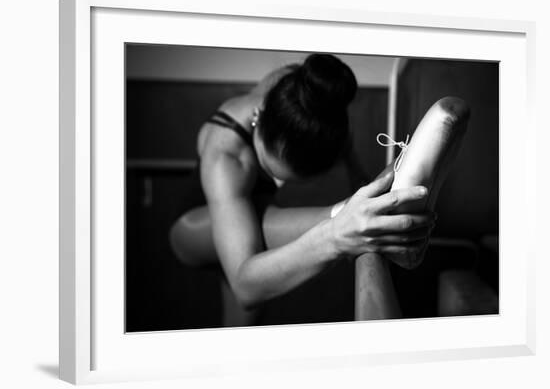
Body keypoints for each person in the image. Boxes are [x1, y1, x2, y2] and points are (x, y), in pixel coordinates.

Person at [169, 54, 435, 317]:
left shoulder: (309, 94)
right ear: (259, 122)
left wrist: (367, 185)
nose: (280, 182)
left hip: (249, 214)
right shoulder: (228, 157)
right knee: (254, 275)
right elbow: (245, 287)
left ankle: (355, 209)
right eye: (273, 172)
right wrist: (337, 237)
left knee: (242, 332)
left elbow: (347, 151)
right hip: (192, 228)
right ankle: (343, 212)